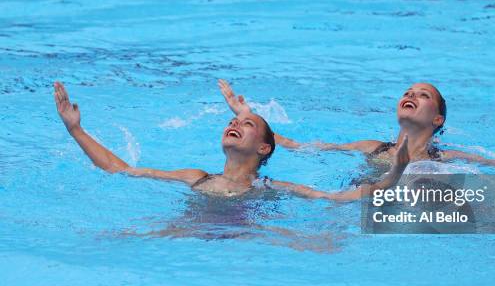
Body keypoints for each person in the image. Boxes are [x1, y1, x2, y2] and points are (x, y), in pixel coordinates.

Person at [53, 81, 410, 201]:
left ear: (264, 148)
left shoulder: (269, 188)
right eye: (232, 121)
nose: (233, 124)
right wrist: (77, 131)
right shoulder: (195, 176)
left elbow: (338, 197)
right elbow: (122, 170)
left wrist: (395, 175)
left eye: (247, 123)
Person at [218, 79, 495, 169]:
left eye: (423, 94)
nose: (412, 94)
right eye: (409, 91)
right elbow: (298, 146)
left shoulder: (445, 158)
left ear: (437, 119)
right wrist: (246, 113)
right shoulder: (371, 148)